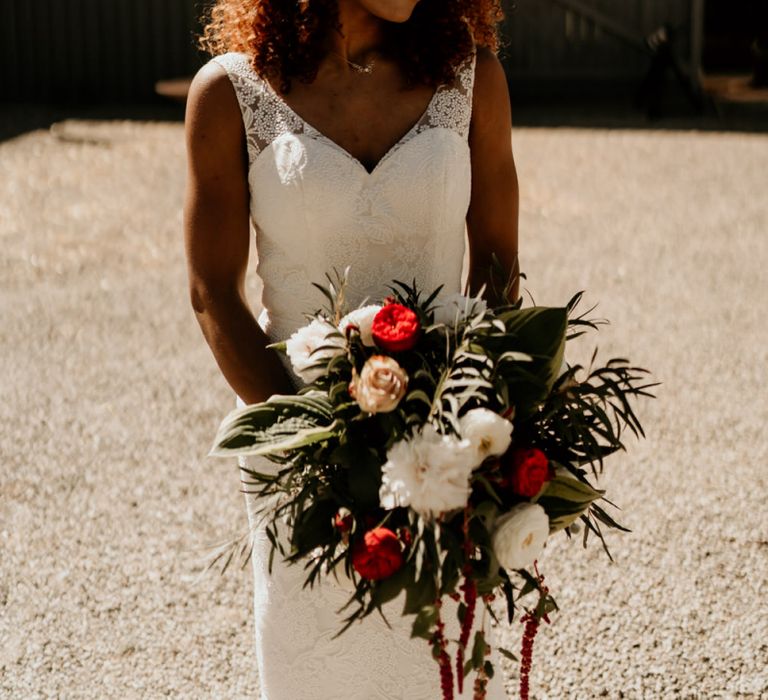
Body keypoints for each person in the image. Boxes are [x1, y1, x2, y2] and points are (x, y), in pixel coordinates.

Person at [184, 0, 519, 697]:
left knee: (438, 663)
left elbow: (495, 261)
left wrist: (464, 415)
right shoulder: (229, 94)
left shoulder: (472, 80)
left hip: (438, 453)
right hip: (298, 456)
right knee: (317, 665)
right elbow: (212, 290)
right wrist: (320, 444)